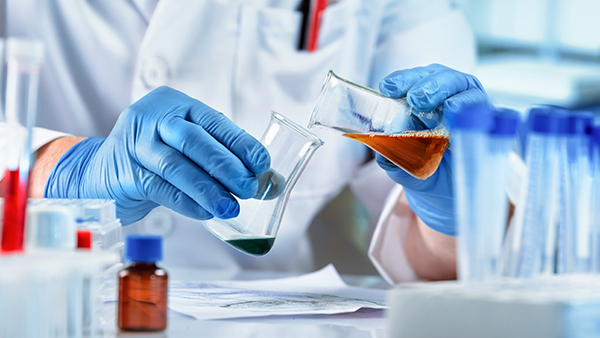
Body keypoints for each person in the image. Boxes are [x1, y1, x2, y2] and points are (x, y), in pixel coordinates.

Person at [1, 0, 486, 282]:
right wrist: (63, 169)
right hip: (40, 292)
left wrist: (459, 212)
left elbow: (433, 256)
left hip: (265, 313)